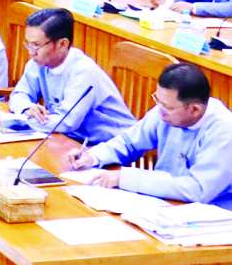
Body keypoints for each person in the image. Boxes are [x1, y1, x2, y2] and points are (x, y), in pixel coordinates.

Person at [68, 63, 232, 209]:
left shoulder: (223, 131)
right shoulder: (165, 111)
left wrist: (127, 178)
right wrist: (93, 157)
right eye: (157, 100)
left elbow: (197, 189)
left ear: (195, 110)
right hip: (163, 204)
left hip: (210, 216)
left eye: (167, 107)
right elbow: (128, 142)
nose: (159, 110)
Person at [7, 8, 135, 144]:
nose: (31, 52)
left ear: (63, 44)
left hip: (113, 146)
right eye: (28, 44)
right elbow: (19, 94)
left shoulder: (83, 72)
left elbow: (66, 122)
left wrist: (22, 120)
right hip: (73, 140)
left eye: (37, 45)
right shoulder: (38, 63)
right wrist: (27, 108)